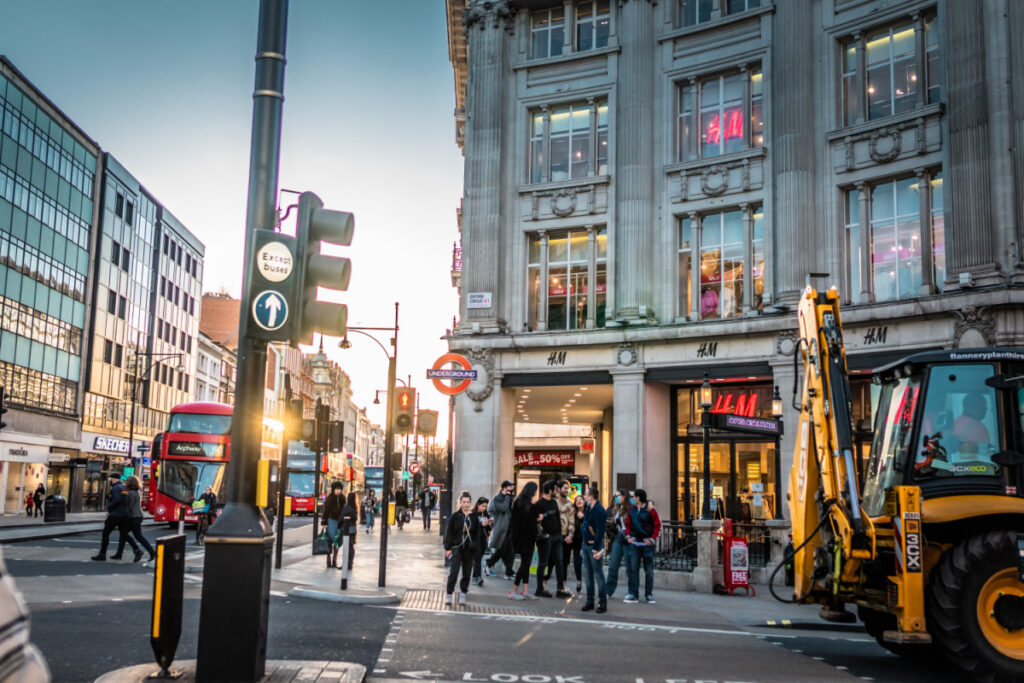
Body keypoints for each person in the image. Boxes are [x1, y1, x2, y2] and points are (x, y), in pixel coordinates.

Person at [624, 488, 662, 604]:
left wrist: (652, 538)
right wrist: (628, 536)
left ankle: (648, 594)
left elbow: (657, 525)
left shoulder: (651, 510)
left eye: (634, 497)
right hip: (635, 543)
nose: (632, 499)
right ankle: (634, 594)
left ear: (638, 498)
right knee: (633, 570)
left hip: (647, 544)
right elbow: (628, 525)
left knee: (649, 570)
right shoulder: (632, 510)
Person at [91, 473, 140, 561]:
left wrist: (109, 507)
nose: (110, 480)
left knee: (105, 533)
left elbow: (117, 499)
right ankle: (136, 550)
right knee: (124, 534)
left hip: (116, 515)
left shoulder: (116, 488)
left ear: (113, 479)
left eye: (110, 479)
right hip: (124, 515)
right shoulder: (123, 487)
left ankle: (102, 554)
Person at [443, 492, 480, 605]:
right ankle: (449, 593)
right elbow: (449, 532)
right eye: (464, 502)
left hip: (469, 549)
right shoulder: (455, 516)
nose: (466, 504)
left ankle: (463, 594)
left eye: (468, 502)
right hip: (456, 547)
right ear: (460, 502)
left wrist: (475, 546)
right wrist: (448, 547)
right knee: (454, 571)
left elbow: (477, 534)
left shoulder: (474, 517)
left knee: (467, 573)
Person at [507, 481, 539, 601]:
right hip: (527, 538)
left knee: (525, 563)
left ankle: (525, 590)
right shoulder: (529, 505)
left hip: (519, 537)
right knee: (525, 564)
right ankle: (514, 590)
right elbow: (531, 521)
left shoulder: (518, 502)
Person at [580, 485, 608, 614]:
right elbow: (586, 525)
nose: (584, 496)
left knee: (598, 574)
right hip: (586, 545)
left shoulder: (600, 510)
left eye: (585, 494)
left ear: (591, 496)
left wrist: (596, 548)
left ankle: (602, 603)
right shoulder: (588, 508)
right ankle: (589, 601)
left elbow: (600, 531)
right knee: (588, 574)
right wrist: (583, 545)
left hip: (594, 546)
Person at [533, 480, 561, 598]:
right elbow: (536, 521)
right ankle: (540, 588)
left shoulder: (554, 502)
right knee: (543, 563)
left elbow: (557, 518)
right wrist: (544, 534)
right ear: (550, 490)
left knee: (559, 561)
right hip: (545, 537)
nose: (556, 491)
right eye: (555, 489)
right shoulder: (539, 504)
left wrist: (559, 534)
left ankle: (560, 588)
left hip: (556, 536)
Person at [485, 480, 515, 580]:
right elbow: (503, 508)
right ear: (504, 488)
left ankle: (509, 572)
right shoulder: (498, 498)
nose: (512, 490)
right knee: (502, 550)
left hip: (509, 527)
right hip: (502, 528)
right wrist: (507, 497)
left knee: (509, 551)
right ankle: (489, 563)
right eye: (510, 488)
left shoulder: (510, 498)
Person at [604, 489, 631, 598]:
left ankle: (632, 592)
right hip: (617, 539)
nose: (616, 498)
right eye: (615, 496)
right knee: (613, 566)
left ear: (624, 496)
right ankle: (608, 590)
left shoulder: (630, 510)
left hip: (628, 541)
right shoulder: (615, 509)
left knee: (630, 568)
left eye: (618, 496)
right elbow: (610, 525)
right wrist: (611, 535)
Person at [122, 476, 155, 562]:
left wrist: (124, 514)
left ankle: (147, 551)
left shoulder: (131, 492)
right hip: (137, 516)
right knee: (128, 534)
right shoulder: (136, 491)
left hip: (134, 517)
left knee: (136, 536)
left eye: (127, 481)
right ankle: (141, 551)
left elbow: (130, 506)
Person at [564, 493, 586, 593]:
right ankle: (563, 583)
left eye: (581, 499)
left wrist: (583, 518)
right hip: (571, 539)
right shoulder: (572, 513)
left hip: (580, 541)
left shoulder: (587, 513)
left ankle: (579, 581)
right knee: (565, 561)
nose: (579, 501)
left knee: (578, 563)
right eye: (577, 500)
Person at [321, 481, 346, 568]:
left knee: (337, 541)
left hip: (340, 522)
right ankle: (328, 559)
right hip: (331, 521)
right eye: (336, 489)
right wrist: (324, 522)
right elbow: (325, 511)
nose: (338, 491)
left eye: (339, 489)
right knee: (329, 540)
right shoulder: (329, 498)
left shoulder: (343, 498)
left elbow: (344, 510)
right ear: (333, 489)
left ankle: (334, 560)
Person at [470, 496, 492, 587]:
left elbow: (489, 529)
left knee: (478, 559)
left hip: (483, 539)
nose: (484, 508)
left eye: (485, 506)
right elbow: (471, 527)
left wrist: (489, 524)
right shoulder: (473, 514)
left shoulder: (486, 515)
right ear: (478, 505)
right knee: (477, 558)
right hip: (474, 539)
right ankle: (478, 577)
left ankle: (475, 577)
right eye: (482, 506)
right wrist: (481, 524)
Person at [338, 491, 358, 571]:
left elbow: (341, 517)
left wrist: (339, 525)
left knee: (347, 546)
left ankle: (346, 564)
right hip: (353, 529)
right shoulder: (355, 507)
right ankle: (350, 563)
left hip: (346, 529)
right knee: (351, 546)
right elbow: (355, 518)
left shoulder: (347, 507)